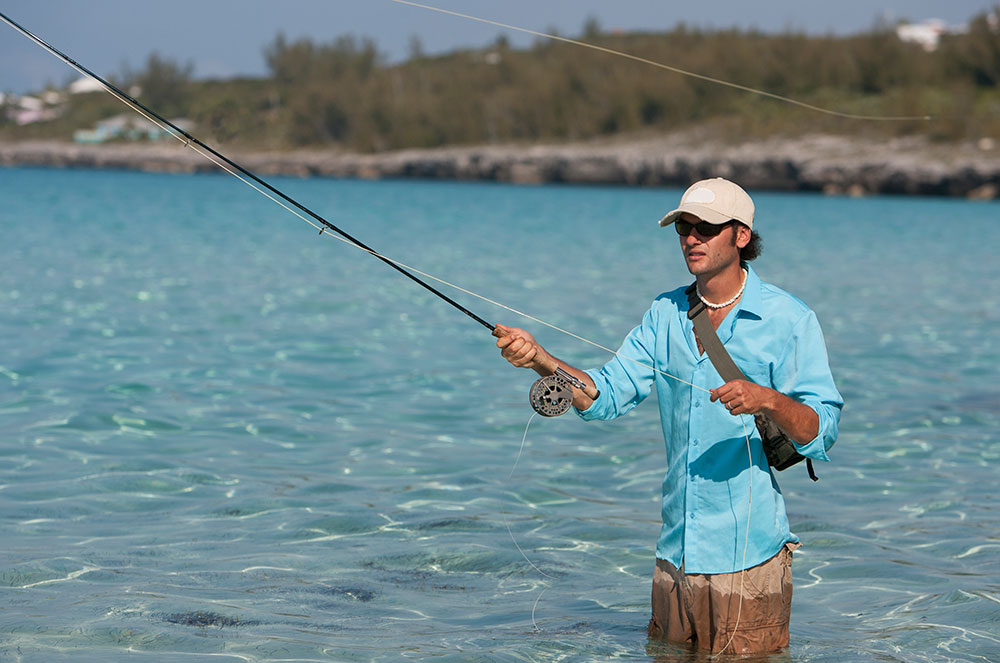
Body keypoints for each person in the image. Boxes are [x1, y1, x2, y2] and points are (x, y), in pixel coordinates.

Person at [495, 178, 843, 655]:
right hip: (674, 558)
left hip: (750, 561)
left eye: (706, 227)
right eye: (683, 226)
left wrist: (767, 399)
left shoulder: (789, 319)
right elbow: (606, 397)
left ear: (741, 236)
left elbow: (822, 433)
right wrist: (540, 359)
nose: (691, 238)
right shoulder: (664, 313)